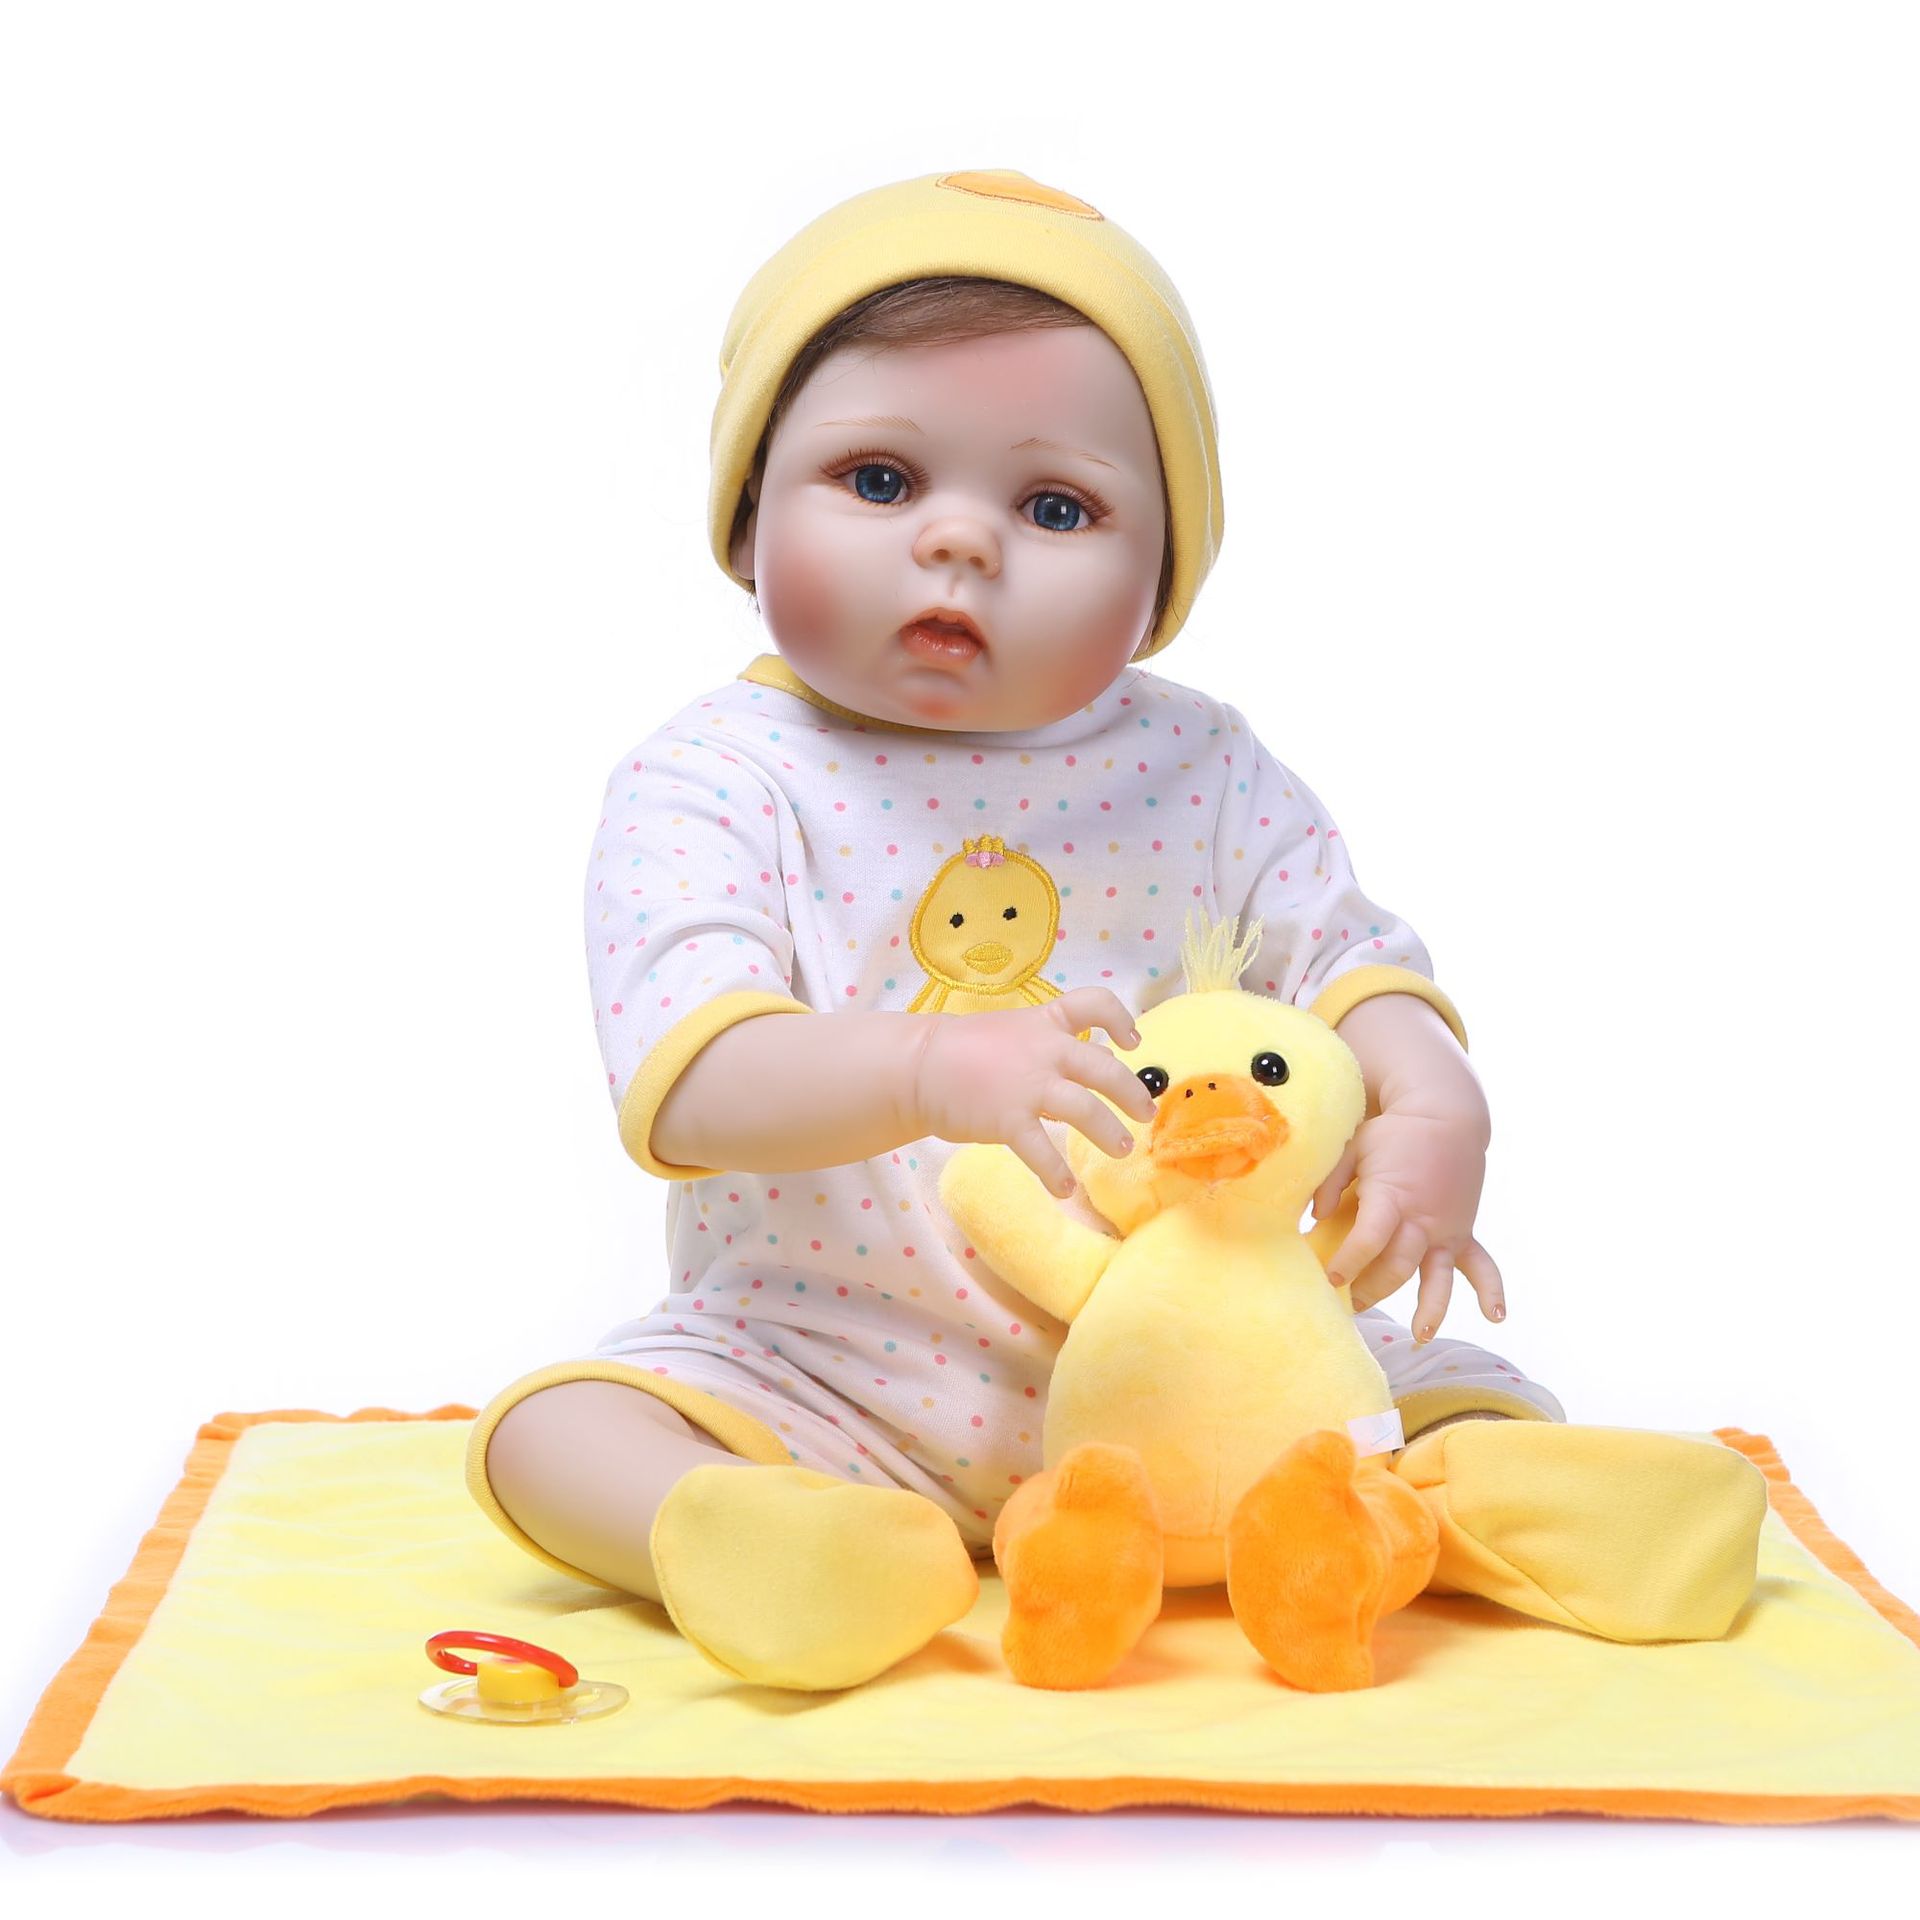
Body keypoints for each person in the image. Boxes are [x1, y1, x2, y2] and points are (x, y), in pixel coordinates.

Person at [464, 169, 1581, 1691]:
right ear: (745, 514)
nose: (960, 543)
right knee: (555, 1432)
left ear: (1162, 574)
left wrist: (1437, 1107)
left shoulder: (1205, 768)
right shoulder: (714, 779)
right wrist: (930, 1071)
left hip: (1193, 1378)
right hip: (827, 1371)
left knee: (1460, 1394)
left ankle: (1514, 1499)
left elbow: (1347, 964)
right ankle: (775, 1541)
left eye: (1055, 507)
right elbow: (692, 1082)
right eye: (878, 479)